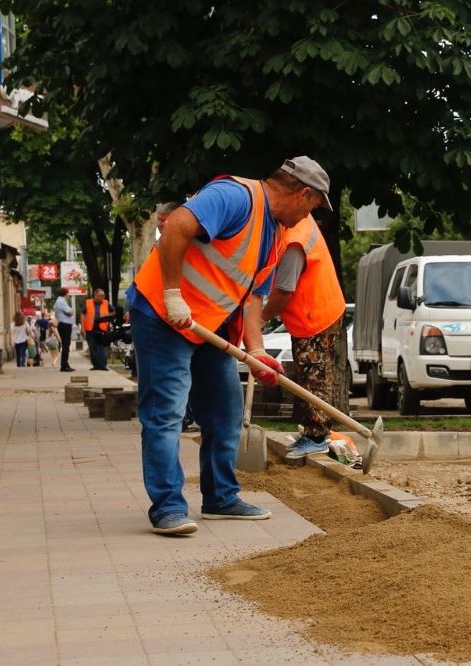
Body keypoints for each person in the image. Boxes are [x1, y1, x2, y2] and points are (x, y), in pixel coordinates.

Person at [127, 156, 331, 536]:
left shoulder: (274, 234)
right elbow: (176, 228)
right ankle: (168, 506)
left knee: (225, 411)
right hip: (162, 313)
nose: (308, 217)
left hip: (209, 326)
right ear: (303, 193)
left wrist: (255, 351)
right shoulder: (235, 196)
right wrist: (173, 295)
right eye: (312, 207)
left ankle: (221, 497)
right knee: (166, 411)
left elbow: (252, 297)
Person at [261, 214, 347, 460]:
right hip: (320, 310)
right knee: (311, 375)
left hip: (314, 315)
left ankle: (317, 436)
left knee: (315, 377)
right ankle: (313, 429)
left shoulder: (294, 241)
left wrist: (261, 317)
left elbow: (284, 290)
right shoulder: (301, 220)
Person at [158, 200, 198, 433]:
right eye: (159, 222)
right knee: (172, 393)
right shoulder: (164, 246)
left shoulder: (189, 243)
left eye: (165, 221)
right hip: (168, 324)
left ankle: (187, 415)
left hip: (194, 325)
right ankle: (181, 417)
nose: (163, 226)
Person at [82, 289, 114, 370]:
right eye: (100, 295)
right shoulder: (88, 303)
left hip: (102, 328)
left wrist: (106, 316)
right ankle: (96, 365)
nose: (102, 297)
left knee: (101, 347)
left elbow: (113, 312)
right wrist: (82, 328)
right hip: (90, 328)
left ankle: (103, 365)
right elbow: (82, 314)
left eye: (103, 295)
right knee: (92, 347)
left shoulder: (106, 303)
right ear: (95, 295)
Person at [53, 286, 76, 372]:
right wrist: (71, 311)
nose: (69, 295)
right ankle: (64, 365)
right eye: (68, 293)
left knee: (66, 345)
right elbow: (70, 312)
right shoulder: (61, 302)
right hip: (65, 325)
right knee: (66, 345)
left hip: (63, 324)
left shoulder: (59, 301)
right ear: (66, 294)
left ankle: (65, 364)